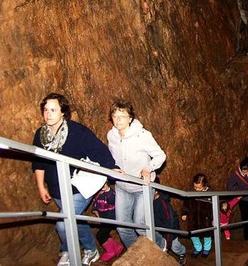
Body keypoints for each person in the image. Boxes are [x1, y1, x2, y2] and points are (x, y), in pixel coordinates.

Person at [32, 92, 116, 266]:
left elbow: (99, 151)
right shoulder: (41, 134)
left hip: (79, 187)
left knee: (63, 224)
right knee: (75, 219)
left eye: (53, 110)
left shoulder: (78, 132)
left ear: (63, 112)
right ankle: (89, 250)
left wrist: (112, 169)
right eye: (46, 110)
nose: (48, 114)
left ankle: (69, 251)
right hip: (57, 189)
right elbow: (38, 162)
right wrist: (41, 186)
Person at [107, 100, 167, 250]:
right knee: (123, 227)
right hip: (122, 186)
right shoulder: (111, 135)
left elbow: (160, 155)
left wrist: (148, 168)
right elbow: (112, 157)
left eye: (122, 116)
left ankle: (161, 245)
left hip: (142, 187)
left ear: (130, 118)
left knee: (141, 226)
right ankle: (138, 255)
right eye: (115, 116)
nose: (118, 119)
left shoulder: (142, 135)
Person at [181, 173, 213, 258]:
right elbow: (186, 204)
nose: (196, 189)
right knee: (193, 234)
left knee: (207, 234)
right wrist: (185, 213)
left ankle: (207, 248)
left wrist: (213, 218)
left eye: (199, 188)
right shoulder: (190, 192)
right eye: (195, 187)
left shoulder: (210, 194)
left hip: (205, 218)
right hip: (193, 218)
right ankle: (198, 247)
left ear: (205, 185)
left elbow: (213, 207)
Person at [153, 187, 186, 265]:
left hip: (171, 230)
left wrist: (167, 244)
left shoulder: (163, 204)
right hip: (158, 229)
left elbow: (169, 226)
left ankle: (182, 252)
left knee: (174, 247)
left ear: (156, 191)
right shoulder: (149, 200)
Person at [92, 183, 125, 262]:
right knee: (105, 234)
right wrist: (95, 211)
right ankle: (117, 247)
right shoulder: (96, 195)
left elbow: (113, 199)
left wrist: (107, 190)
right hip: (104, 219)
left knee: (100, 235)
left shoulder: (110, 194)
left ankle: (111, 251)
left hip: (113, 219)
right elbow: (95, 205)